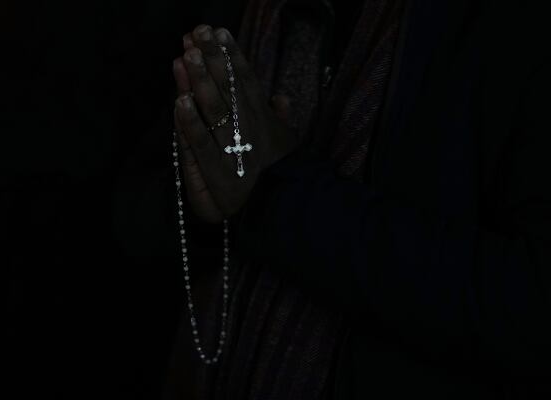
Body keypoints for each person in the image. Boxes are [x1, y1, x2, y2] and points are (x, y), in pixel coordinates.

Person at [162, 0, 551, 399]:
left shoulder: (515, 29)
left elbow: (533, 313)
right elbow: (130, 206)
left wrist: (276, 192)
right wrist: (210, 198)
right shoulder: (245, 14)